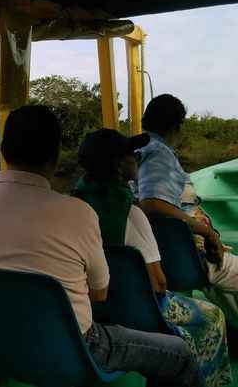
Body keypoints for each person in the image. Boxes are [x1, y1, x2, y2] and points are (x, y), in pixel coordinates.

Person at [0, 105, 202, 387]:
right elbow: (99, 293)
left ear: (3, 149)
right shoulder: (78, 213)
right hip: (79, 349)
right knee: (180, 354)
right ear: (55, 156)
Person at [74, 128, 231, 387]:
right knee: (213, 317)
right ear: (118, 164)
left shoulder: (75, 206)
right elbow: (158, 284)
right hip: (135, 312)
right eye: (132, 154)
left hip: (90, 310)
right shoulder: (131, 214)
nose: (137, 158)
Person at [136, 94, 238, 328]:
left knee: (223, 288)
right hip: (188, 256)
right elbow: (152, 204)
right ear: (177, 125)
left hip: (172, 254)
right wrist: (208, 233)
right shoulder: (159, 153)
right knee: (223, 273)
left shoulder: (136, 152)